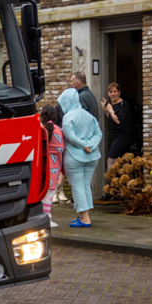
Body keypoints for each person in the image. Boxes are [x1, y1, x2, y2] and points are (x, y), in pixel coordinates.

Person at [58, 88, 102, 227]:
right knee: (85, 185)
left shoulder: (68, 117)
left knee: (77, 186)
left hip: (74, 156)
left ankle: (85, 219)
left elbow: (70, 137)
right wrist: (91, 145)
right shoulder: (89, 116)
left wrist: (83, 145)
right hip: (92, 156)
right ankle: (85, 214)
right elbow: (98, 133)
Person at [40, 105, 65, 228]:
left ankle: (40, 218)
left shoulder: (39, 129)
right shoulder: (58, 130)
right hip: (54, 168)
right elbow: (61, 149)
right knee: (50, 194)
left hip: (40, 167)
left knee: (41, 194)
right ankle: (47, 218)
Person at [101, 82, 134, 170]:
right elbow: (112, 118)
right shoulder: (111, 105)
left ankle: (110, 182)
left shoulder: (124, 104)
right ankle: (127, 182)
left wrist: (110, 110)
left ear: (119, 92)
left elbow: (118, 121)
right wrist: (105, 109)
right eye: (110, 92)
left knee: (110, 161)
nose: (113, 94)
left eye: (115, 91)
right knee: (124, 162)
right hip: (115, 136)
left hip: (122, 137)